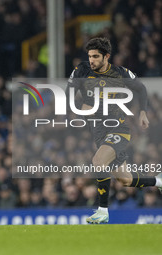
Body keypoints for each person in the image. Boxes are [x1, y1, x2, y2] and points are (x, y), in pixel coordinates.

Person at [66, 37, 162, 224]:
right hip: (99, 133)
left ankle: (102, 211)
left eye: (95, 56)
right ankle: (159, 182)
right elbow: (69, 91)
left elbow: (141, 88)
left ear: (107, 56)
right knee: (125, 180)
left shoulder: (120, 73)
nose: (91, 60)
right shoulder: (82, 70)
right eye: (89, 56)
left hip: (119, 130)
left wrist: (142, 112)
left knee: (98, 161)